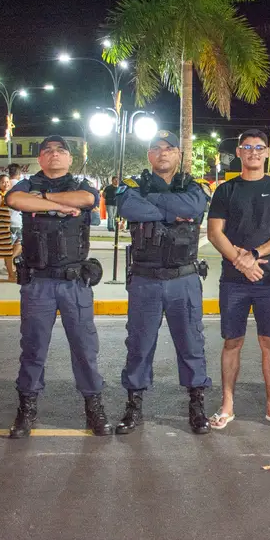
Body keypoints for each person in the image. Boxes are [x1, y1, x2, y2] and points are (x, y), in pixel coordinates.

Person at [5, 135, 111, 437]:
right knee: (33, 348)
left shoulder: (80, 185)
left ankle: (93, 408)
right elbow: (14, 200)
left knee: (84, 349)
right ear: (40, 159)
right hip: (38, 281)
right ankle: (26, 409)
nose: (54, 155)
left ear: (70, 158)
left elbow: (88, 200)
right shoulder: (26, 184)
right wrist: (61, 206)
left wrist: (44, 201)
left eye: (60, 151)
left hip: (74, 282)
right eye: (47, 151)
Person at [114, 130, 212, 435]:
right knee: (139, 345)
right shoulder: (133, 185)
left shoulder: (194, 185)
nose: (162, 153)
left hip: (184, 278)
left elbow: (193, 208)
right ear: (149, 155)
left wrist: (155, 205)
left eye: (169, 148)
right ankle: (134, 406)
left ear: (178, 154)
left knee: (191, 344)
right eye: (156, 148)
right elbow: (128, 207)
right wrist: (173, 210)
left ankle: (196, 406)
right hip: (145, 279)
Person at [206, 129, 270, 430]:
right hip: (234, 279)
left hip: (269, 279)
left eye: (259, 147)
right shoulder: (226, 190)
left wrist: (255, 254)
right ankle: (227, 405)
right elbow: (214, 232)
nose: (253, 152)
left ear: (267, 152)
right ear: (238, 152)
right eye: (247, 147)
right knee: (232, 341)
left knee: (269, 342)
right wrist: (240, 261)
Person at [0, 174, 16, 281]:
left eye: (7, 182)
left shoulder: (7, 194)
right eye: (3, 182)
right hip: (1, 227)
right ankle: (10, 275)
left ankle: (10, 275)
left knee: (5, 252)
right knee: (3, 252)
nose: (6, 184)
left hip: (5, 226)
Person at [7, 163, 23, 257]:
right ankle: (12, 259)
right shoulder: (21, 186)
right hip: (17, 221)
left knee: (7, 245)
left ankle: (9, 262)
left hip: (5, 220)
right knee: (19, 242)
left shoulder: (5, 184)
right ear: (19, 174)